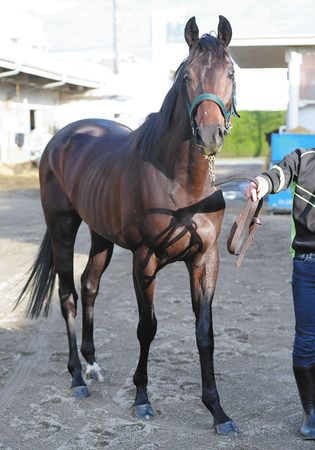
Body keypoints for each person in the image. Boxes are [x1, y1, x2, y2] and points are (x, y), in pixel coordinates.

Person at [245, 147, 315, 440]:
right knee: (306, 340)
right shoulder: (303, 158)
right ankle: (311, 411)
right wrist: (262, 184)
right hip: (307, 266)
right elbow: (279, 174)